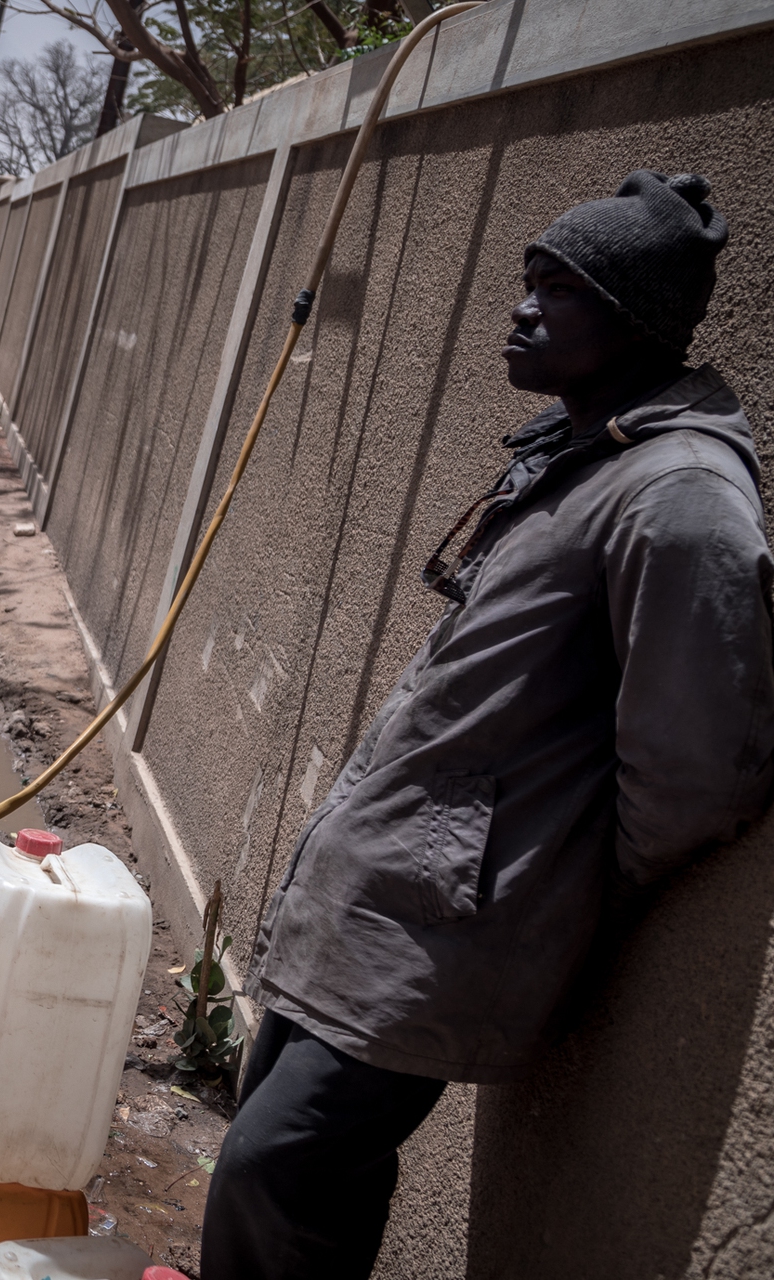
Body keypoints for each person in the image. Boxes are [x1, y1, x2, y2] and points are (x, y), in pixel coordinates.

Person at [201, 171, 774, 1278]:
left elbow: (698, 771)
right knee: (283, 1167)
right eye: (529, 281)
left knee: (274, 1175)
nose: (522, 309)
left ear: (637, 317)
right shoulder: (587, 454)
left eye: (559, 290)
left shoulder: (682, 494)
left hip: (436, 930)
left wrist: (539, 873)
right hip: (375, 904)